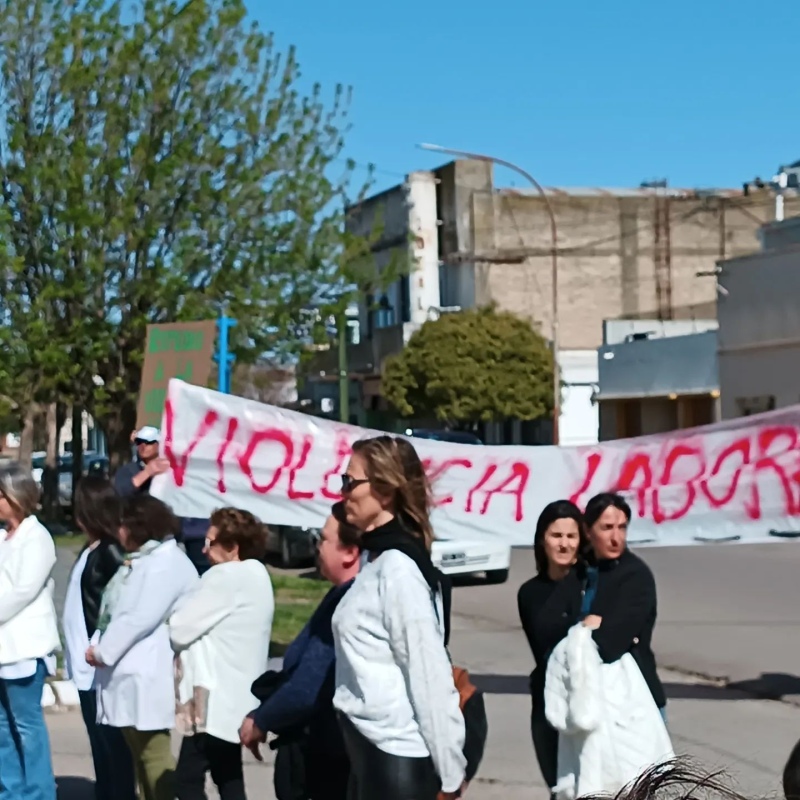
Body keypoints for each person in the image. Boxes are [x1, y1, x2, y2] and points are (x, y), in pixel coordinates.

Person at [332, 435, 466, 800]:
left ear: (386, 493)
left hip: (395, 760)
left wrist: (451, 775)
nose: (342, 491)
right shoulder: (376, 560)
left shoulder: (399, 569)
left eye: (350, 482)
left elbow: (428, 672)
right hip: (369, 755)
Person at [239, 502, 362, 800]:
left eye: (324, 539)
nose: (317, 548)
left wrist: (261, 720)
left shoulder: (350, 603)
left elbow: (308, 685)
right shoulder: (340, 594)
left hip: (326, 757)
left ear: (349, 552)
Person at [86, 494, 198, 800]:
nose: (118, 532)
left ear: (139, 527)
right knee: (140, 757)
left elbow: (137, 618)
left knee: (154, 756)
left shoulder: (166, 565)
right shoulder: (143, 562)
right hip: (129, 672)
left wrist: (101, 652)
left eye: (122, 525)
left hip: (148, 673)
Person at [169, 508, 274, 800]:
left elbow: (178, 628)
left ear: (233, 547)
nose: (204, 548)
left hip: (214, 702)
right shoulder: (258, 575)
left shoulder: (226, 576)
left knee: (187, 781)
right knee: (227, 777)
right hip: (240, 701)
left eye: (211, 542)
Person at [63, 477, 136, 800]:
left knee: (112, 744)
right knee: (99, 743)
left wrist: (103, 642)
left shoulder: (110, 551)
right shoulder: (91, 547)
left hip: (99, 663)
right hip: (84, 663)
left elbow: (123, 599)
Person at [517, 499, 588, 792]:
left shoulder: (591, 583)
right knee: (558, 788)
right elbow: (543, 647)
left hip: (588, 701)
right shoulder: (529, 593)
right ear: (542, 541)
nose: (564, 544)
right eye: (556, 536)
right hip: (548, 702)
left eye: (571, 536)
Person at [0, 465, 60, 800]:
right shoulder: (2, 538)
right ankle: (11, 791)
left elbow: (23, 590)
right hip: (2, 649)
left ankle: (38, 793)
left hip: (23, 649)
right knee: (2, 731)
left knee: (27, 728)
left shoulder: (37, 538)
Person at [581, 492, 667, 720]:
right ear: (588, 531)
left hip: (636, 703)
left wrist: (585, 629)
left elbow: (610, 643)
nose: (616, 537)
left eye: (622, 527)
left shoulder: (635, 576)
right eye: (607, 527)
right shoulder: (581, 572)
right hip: (589, 702)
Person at [113, 426, 170, 497]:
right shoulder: (128, 470)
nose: (143, 446)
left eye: (148, 442)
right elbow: (121, 492)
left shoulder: (170, 470)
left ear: (159, 445)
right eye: (139, 442)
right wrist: (147, 472)